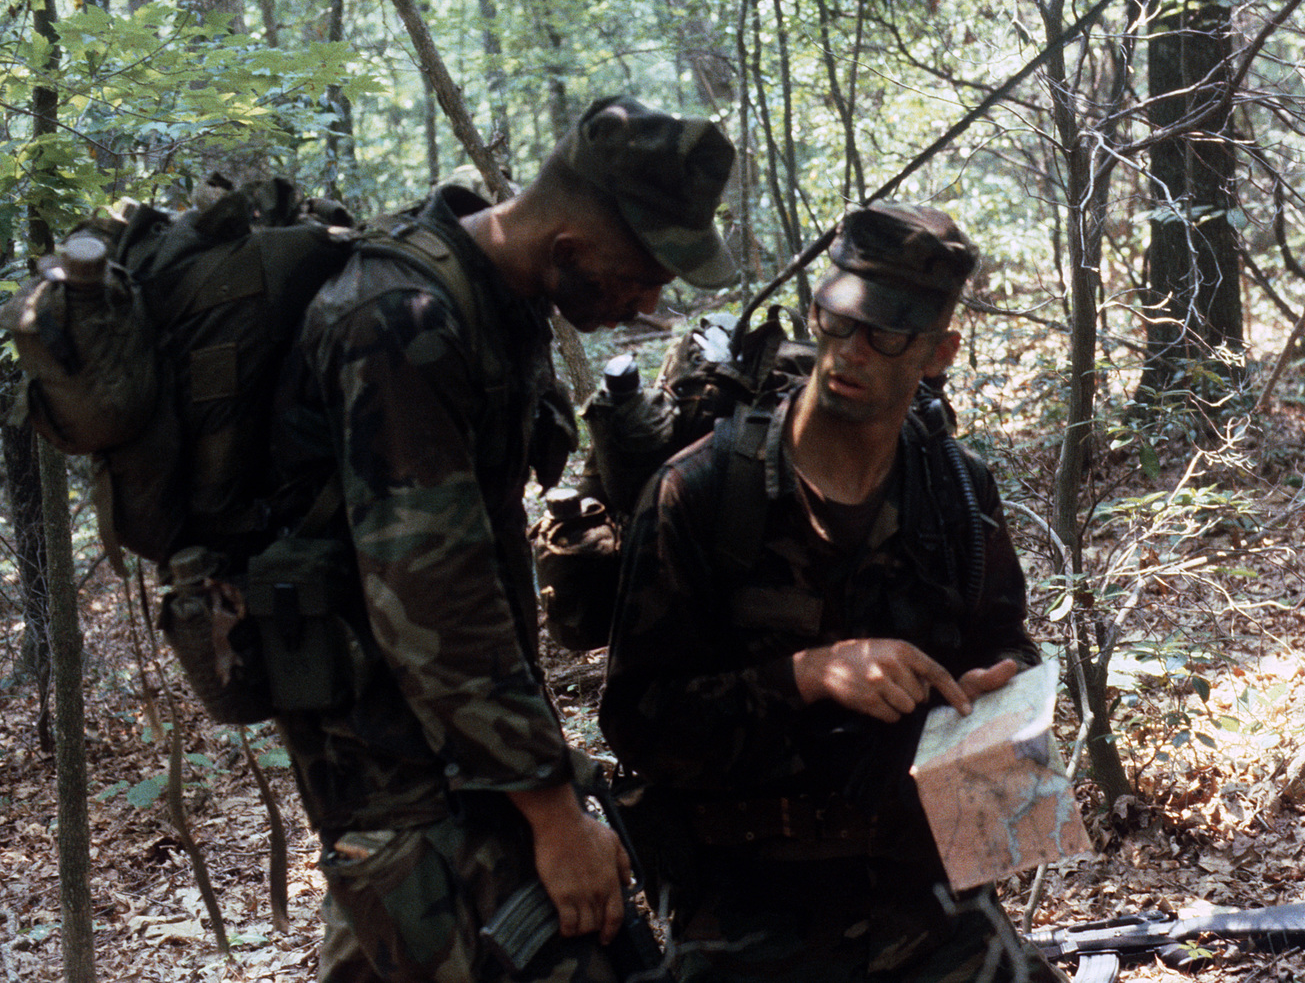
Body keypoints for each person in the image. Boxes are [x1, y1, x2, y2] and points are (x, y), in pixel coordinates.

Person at [268, 95, 736, 983]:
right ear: (567, 246)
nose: (649, 301)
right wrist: (554, 816)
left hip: (446, 758)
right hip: (404, 775)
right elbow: (433, 604)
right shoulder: (403, 322)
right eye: (640, 273)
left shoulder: (496, 302)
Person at [600, 202, 1066, 982]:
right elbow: (638, 723)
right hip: (746, 907)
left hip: (923, 895)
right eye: (836, 322)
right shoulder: (702, 493)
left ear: (938, 351)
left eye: (885, 335)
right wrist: (806, 676)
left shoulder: (955, 491)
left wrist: (998, 687)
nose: (849, 351)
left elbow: (1005, 640)